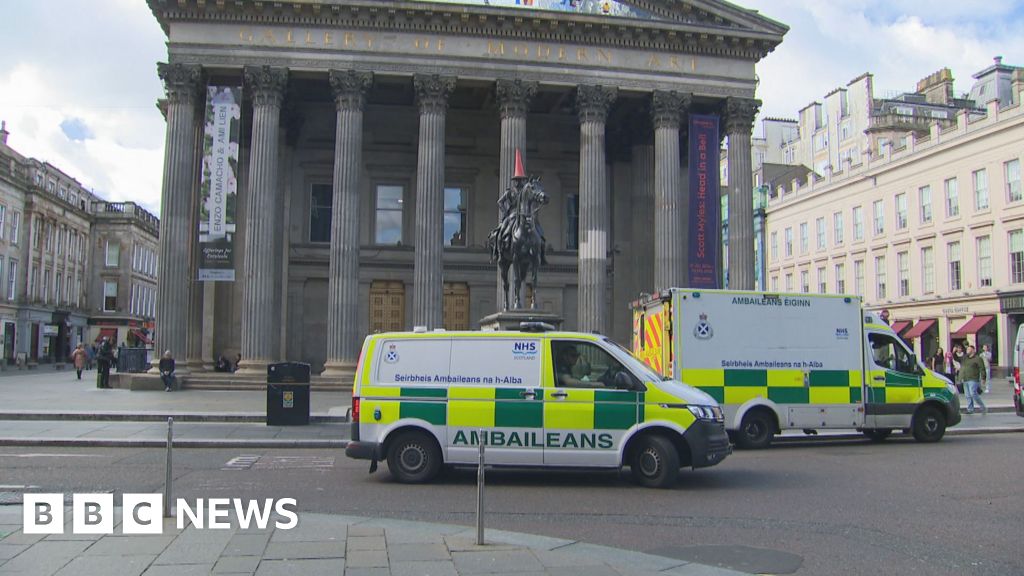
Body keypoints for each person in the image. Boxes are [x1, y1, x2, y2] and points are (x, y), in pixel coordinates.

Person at [959, 345, 987, 415]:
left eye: (969, 349)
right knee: (967, 395)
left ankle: (982, 407)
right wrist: (960, 377)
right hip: (965, 378)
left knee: (973, 393)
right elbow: (962, 368)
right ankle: (970, 409)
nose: (967, 350)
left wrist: (983, 378)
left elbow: (982, 368)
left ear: (973, 350)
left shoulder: (978, 359)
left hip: (973, 379)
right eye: (967, 349)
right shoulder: (965, 359)